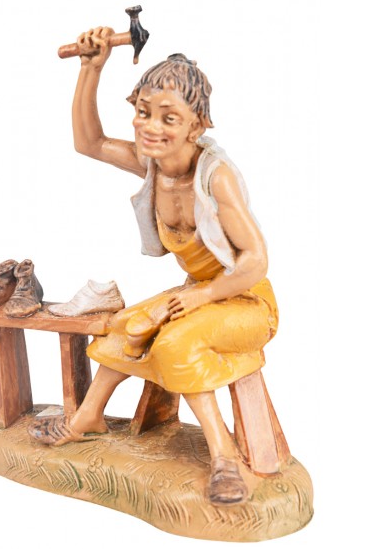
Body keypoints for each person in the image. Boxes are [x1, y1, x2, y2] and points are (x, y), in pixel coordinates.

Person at [29, 27, 279, 506]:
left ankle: (224, 456)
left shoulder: (216, 179)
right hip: (196, 294)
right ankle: (87, 419)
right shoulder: (153, 164)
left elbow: (256, 261)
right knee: (123, 326)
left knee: (174, 342)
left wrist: (204, 295)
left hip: (244, 301)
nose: (150, 127)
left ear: (196, 126)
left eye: (169, 118)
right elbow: (89, 142)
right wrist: (91, 68)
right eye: (143, 112)